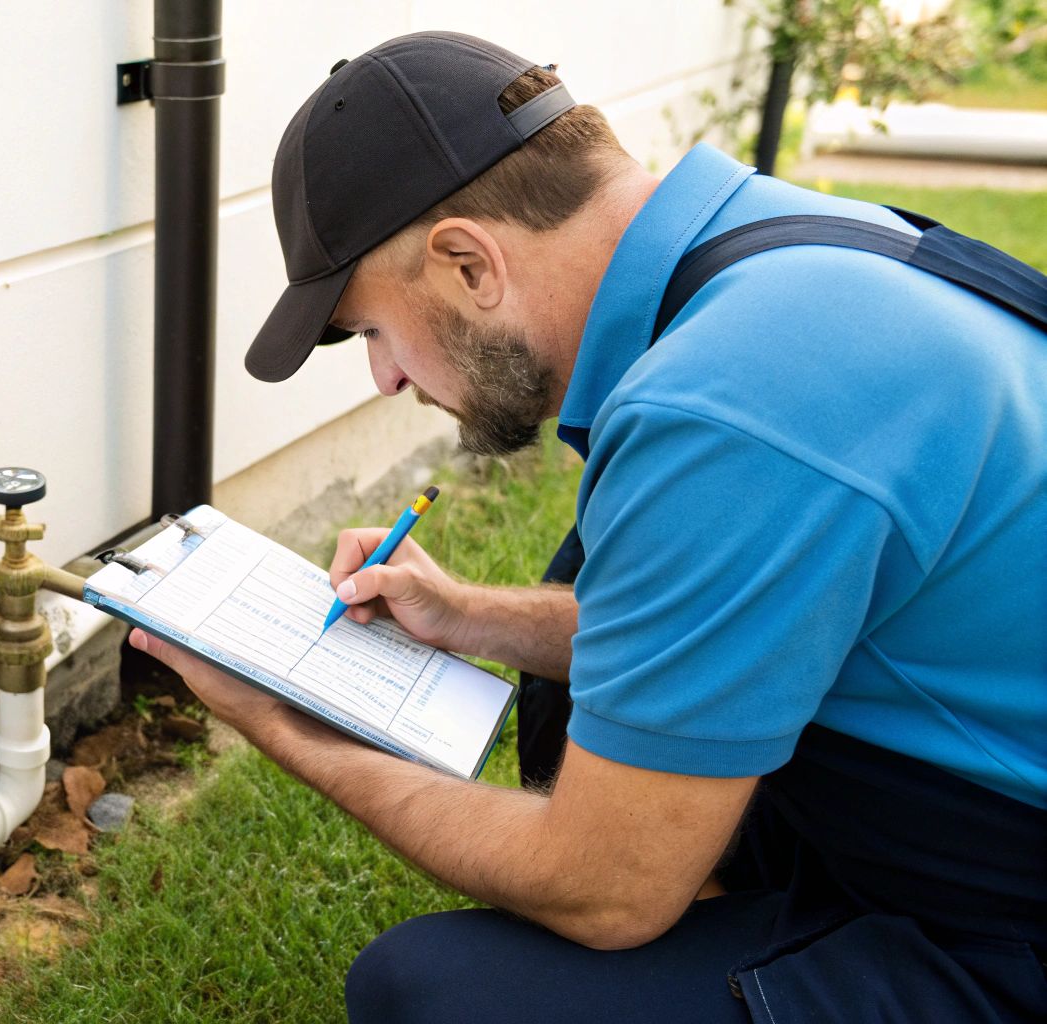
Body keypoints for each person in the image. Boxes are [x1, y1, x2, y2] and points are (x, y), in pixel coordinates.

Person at [127, 30, 1047, 1023]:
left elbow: (606, 894)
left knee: (432, 995)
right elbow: (724, 615)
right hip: (962, 771)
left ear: (465, 263)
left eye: (370, 331)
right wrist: (467, 614)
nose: (383, 377)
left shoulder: (723, 406)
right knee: (591, 602)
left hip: (1008, 905)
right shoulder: (770, 249)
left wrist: (280, 720)